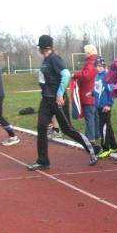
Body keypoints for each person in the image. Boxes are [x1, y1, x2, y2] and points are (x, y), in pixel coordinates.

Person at [27, 35, 98, 170]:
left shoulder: (54, 58)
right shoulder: (46, 59)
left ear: (43, 47)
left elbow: (66, 75)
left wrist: (59, 94)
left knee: (67, 129)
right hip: (46, 99)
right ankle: (43, 161)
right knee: (41, 127)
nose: (39, 49)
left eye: (40, 47)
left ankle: (93, 149)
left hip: (58, 100)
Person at [74, 44, 100, 143]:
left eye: (85, 52)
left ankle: (90, 137)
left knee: (90, 117)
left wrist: (76, 74)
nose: (84, 54)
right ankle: (97, 135)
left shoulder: (90, 62)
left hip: (88, 95)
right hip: (96, 94)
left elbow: (86, 75)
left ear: (88, 53)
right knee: (96, 117)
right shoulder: (98, 61)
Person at [92, 57, 117, 158]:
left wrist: (109, 104)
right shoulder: (97, 76)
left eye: (100, 66)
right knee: (107, 126)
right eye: (96, 66)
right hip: (99, 105)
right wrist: (92, 93)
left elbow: (111, 91)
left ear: (104, 66)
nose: (98, 68)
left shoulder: (107, 76)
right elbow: (97, 89)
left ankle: (105, 148)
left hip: (105, 106)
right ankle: (113, 146)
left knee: (103, 127)